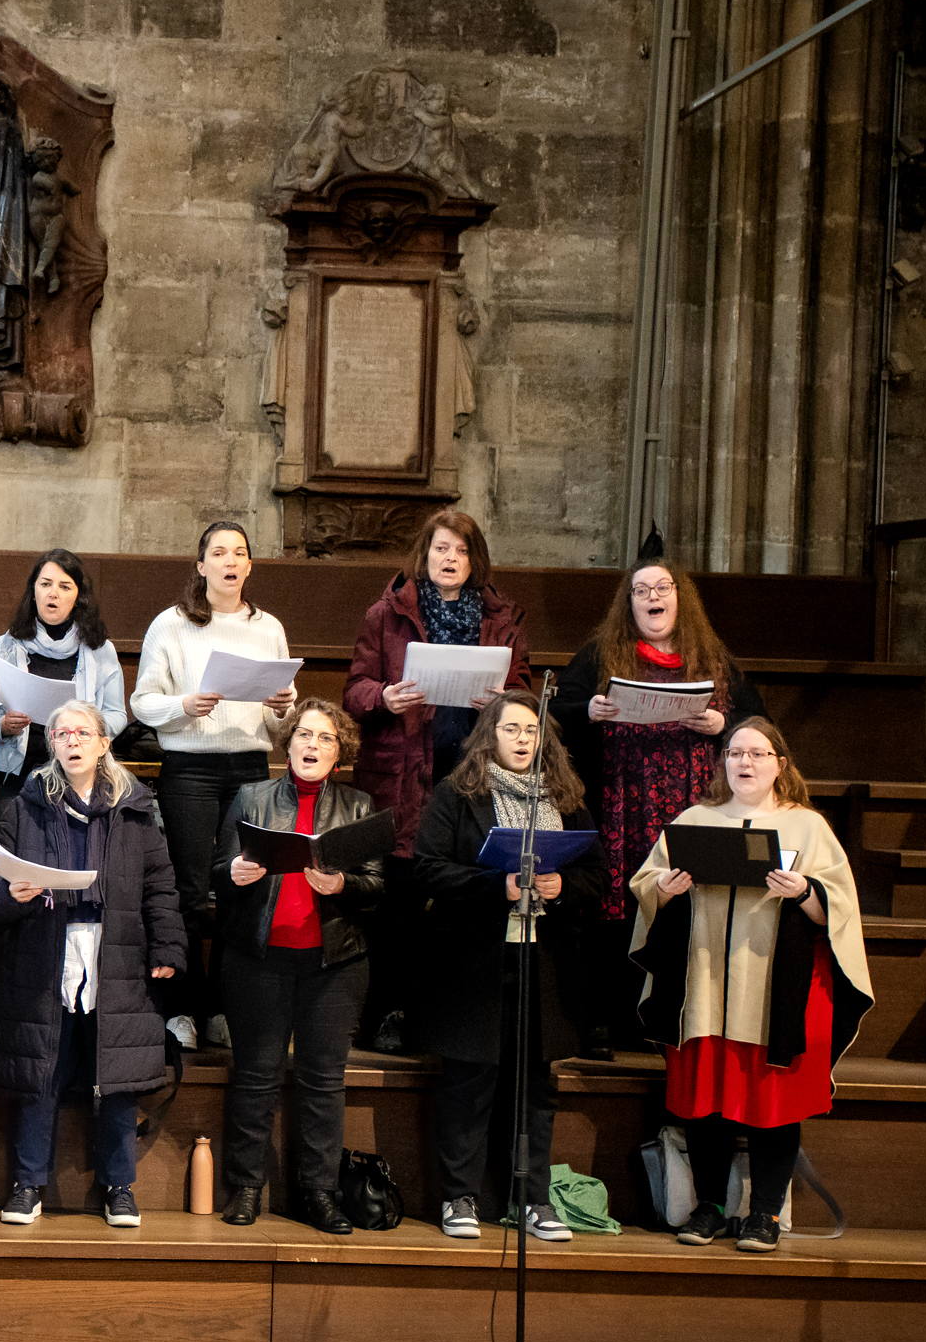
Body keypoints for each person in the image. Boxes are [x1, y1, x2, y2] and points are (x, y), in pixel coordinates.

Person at [630, 718, 872, 1253]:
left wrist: (804, 891)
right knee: (706, 1100)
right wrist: (665, 888)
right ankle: (709, 1207)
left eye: (758, 754)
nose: (745, 762)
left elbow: (838, 909)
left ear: (779, 765)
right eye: (735, 753)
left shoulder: (807, 827)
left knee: (772, 1101)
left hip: (773, 990)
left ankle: (764, 1212)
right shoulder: (696, 819)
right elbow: (647, 884)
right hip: (705, 985)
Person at [412, 691, 607, 1243]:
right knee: (469, 1084)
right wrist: (493, 886)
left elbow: (597, 875)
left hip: (543, 960)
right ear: (489, 737)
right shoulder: (458, 794)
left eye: (532, 731)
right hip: (475, 961)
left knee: (534, 1088)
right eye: (512, 729)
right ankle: (459, 1197)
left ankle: (532, 1199)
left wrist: (562, 885)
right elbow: (426, 869)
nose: (523, 740)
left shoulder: (566, 797)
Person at [550, 558, 766, 1052]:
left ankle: (672, 1022)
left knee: (684, 906)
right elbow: (557, 711)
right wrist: (589, 710)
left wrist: (724, 725)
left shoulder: (710, 657)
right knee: (617, 908)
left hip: (692, 806)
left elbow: (758, 721)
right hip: (620, 804)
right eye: (641, 590)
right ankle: (605, 1020)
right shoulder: (602, 655)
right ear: (628, 603)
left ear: (679, 598)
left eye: (663, 587)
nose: (653, 597)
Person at [0, 699, 182, 1228]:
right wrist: (10, 893)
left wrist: (167, 947)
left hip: (117, 953)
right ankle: (28, 1184)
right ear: (52, 745)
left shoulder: (136, 807)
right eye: (61, 734)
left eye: (82, 733)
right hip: (46, 950)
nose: (71, 742)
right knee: (41, 1071)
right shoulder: (26, 806)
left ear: (103, 744)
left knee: (116, 1074)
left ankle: (120, 1187)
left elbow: (160, 885)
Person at [341, 509, 528, 1055]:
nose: (451, 559)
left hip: (472, 776)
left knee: (464, 904)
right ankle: (389, 1015)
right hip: (405, 776)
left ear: (476, 561)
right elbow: (355, 691)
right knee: (400, 906)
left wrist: (506, 700)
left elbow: (522, 688)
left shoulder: (501, 618)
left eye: (462, 551)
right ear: (424, 555)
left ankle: (450, 1020)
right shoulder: (386, 614)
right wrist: (385, 696)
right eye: (442, 548)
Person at [212, 700, 386, 1233]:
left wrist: (343, 884)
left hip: (334, 964)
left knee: (323, 1082)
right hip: (259, 958)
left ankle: (320, 1193)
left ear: (339, 752)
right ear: (287, 744)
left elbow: (377, 886)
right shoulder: (252, 797)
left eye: (326, 738)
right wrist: (234, 871)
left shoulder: (358, 805)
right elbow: (216, 872)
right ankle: (246, 1188)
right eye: (305, 735)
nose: (313, 745)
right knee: (255, 1076)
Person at [129, 520, 298, 1048]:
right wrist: (184, 705)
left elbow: (279, 723)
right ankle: (183, 1007)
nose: (230, 561)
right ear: (201, 565)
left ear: (249, 566)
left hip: (250, 769)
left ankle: (224, 1007)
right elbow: (143, 702)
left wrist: (283, 706)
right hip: (191, 770)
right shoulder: (171, 624)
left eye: (239, 553)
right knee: (187, 894)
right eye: (219, 552)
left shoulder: (268, 628)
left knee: (239, 889)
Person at [0, 549, 126, 834]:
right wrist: (2, 725)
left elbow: (116, 713)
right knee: (5, 833)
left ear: (78, 596)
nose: (53, 593)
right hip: (18, 772)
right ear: (33, 591)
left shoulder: (99, 650)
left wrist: (85, 730)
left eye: (64, 586)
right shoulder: (7, 645)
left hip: (79, 775)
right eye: (45, 584)